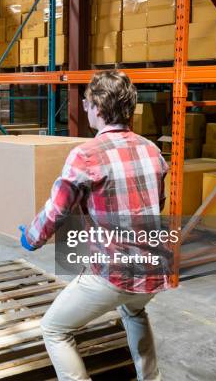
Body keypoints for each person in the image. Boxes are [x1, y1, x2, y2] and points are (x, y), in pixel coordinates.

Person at [19, 70, 170, 381]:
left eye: (87, 103)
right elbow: (159, 203)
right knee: (134, 310)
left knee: (54, 329)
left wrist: (31, 238)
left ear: (99, 107)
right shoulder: (152, 150)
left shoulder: (86, 155)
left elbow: (56, 210)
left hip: (114, 273)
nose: (85, 108)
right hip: (155, 268)